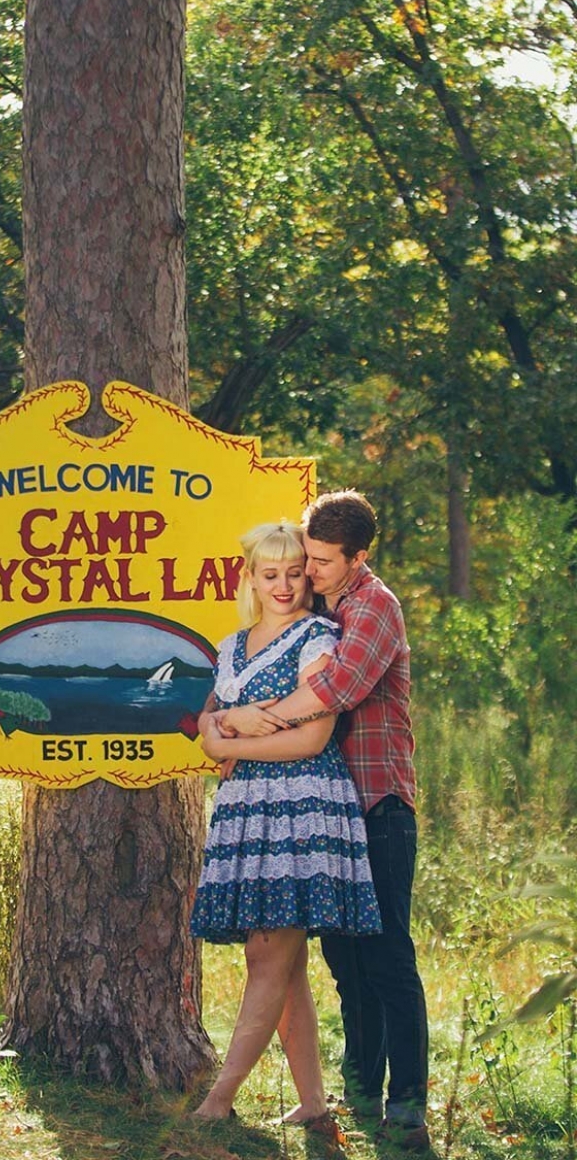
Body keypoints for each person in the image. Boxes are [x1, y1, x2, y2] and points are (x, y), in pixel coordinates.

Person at [217, 491, 430, 1151]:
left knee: (387, 953)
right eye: (302, 558)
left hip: (378, 802)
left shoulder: (372, 607)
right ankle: (357, 1089)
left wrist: (250, 723)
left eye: (319, 561)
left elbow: (333, 691)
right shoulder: (318, 604)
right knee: (343, 958)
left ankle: (407, 1103)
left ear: (357, 557)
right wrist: (217, 722)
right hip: (329, 812)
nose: (306, 571)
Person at [190, 521, 381, 1133]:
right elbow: (207, 740)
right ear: (251, 577)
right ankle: (316, 1104)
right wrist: (228, 730)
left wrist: (235, 735)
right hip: (248, 809)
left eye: (295, 573)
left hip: (304, 806)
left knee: (266, 951)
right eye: (270, 574)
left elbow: (315, 735)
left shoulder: (317, 636)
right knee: (285, 960)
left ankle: (218, 1099)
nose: (284, 585)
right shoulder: (231, 646)